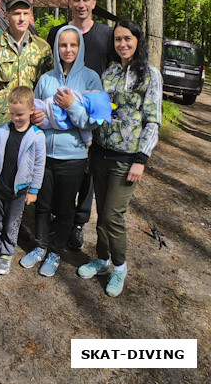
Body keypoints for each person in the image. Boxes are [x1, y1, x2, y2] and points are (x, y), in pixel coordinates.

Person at [78, 20, 162, 297]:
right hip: (101, 153)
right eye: (117, 39)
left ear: (138, 40)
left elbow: (152, 120)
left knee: (114, 216)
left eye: (127, 38)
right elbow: (102, 108)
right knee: (101, 212)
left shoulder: (150, 75)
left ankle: (119, 267)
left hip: (127, 158)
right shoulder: (110, 72)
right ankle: (102, 260)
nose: (122, 44)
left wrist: (141, 158)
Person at [21, 26, 102, 277]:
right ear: (57, 47)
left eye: (73, 45)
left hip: (73, 156)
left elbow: (93, 121)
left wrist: (71, 106)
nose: (68, 50)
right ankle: (40, 246)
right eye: (63, 45)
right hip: (44, 153)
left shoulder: (90, 79)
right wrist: (34, 117)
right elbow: (33, 109)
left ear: (80, 48)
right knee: (42, 205)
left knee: (66, 208)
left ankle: (55, 252)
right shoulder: (46, 79)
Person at [46, 0, 114, 250]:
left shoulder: (106, 35)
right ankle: (58, 217)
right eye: (76, 0)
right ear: (69, 3)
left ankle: (78, 223)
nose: (81, 5)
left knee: (88, 173)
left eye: (86, 0)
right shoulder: (57, 32)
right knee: (58, 169)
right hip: (60, 114)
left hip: (90, 114)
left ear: (94, 3)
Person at [0, 86, 46, 275]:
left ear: (32, 110)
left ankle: (7, 254)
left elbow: (39, 165)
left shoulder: (36, 137)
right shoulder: (1, 132)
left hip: (19, 190)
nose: (16, 118)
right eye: (13, 113)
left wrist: (34, 190)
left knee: (11, 224)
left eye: (21, 114)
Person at [0, 0, 53, 127]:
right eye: (17, 14)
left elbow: (49, 86)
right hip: (2, 121)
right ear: (6, 15)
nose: (22, 18)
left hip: (32, 121)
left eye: (26, 13)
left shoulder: (42, 48)